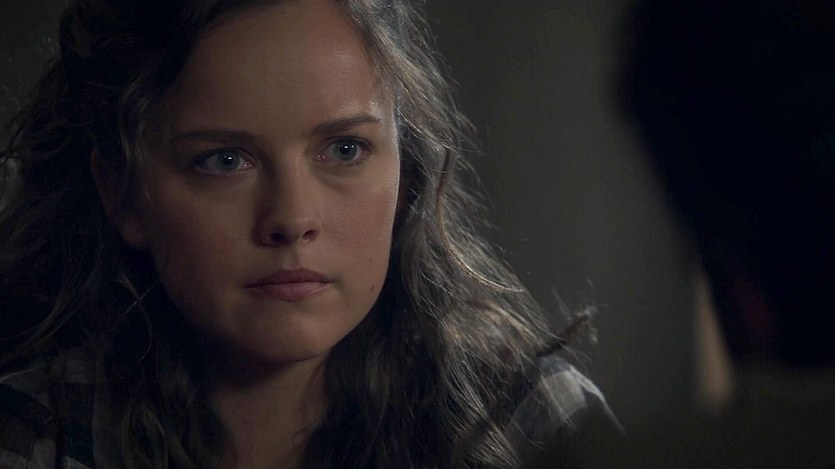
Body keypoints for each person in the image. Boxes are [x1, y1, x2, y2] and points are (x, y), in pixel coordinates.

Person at [0, 0, 618, 467]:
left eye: (345, 149)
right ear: (125, 194)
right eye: (224, 161)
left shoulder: (526, 422)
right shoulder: (35, 435)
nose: (292, 219)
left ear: (406, 171)